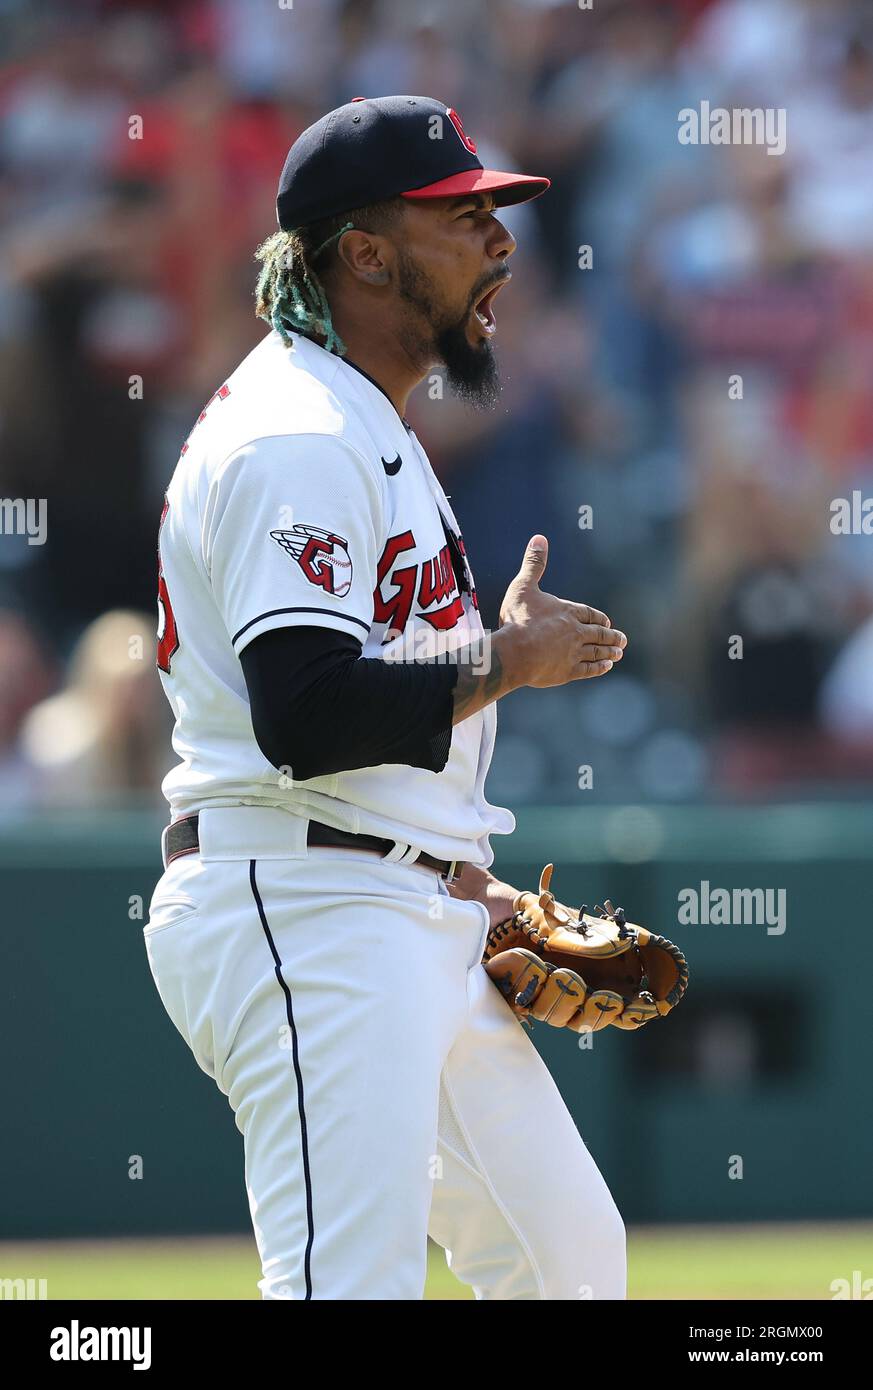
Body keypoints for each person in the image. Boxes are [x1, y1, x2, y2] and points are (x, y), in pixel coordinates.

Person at [145, 95, 628, 1300]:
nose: (500, 245)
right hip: (305, 903)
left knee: (566, 1264)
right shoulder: (292, 432)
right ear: (363, 251)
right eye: (461, 218)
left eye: (495, 215)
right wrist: (507, 659)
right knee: (345, 1286)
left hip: (393, 893)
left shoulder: (367, 424)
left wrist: (454, 863)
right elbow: (301, 711)